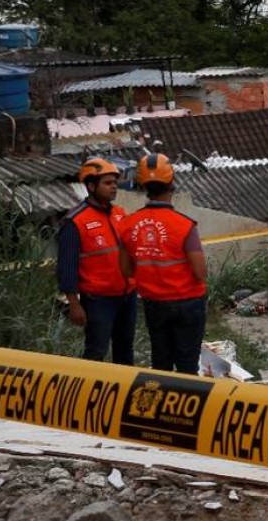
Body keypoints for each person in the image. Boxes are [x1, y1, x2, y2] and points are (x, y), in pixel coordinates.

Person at [119, 154, 208, 374]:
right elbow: (200, 272)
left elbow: (127, 270)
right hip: (188, 303)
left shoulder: (128, 224)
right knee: (187, 365)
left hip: (155, 304)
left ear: (142, 185)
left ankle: (160, 405)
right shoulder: (184, 225)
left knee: (161, 364)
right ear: (171, 183)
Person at [56, 157, 137, 364]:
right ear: (91, 186)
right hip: (99, 301)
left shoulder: (120, 214)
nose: (114, 187)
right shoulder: (74, 221)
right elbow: (67, 267)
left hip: (127, 297)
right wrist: (74, 304)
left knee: (125, 349)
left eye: (114, 183)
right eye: (107, 183)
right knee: (96, 351)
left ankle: (123, 392)